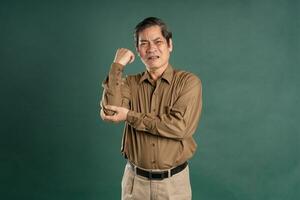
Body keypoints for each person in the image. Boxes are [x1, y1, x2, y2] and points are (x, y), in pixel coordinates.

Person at [100, 17, 202, 200]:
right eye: (144, 43)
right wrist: (117, 66)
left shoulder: (188, 82)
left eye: (158, 42)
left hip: (174, 185)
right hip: (135, 183)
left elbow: (180, 127)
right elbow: (110, 111)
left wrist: (130, 116)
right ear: (138, 50)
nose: (151, 48)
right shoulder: (130, 84)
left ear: (169, 45)